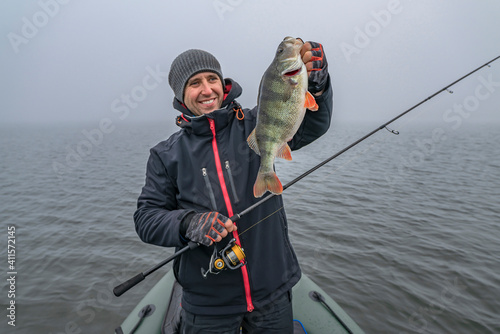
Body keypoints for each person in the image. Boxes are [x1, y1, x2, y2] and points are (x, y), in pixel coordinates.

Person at [134, 37, 333, 333]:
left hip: (272, 291)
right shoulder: (165, 155)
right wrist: (188, 222)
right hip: (207, 304)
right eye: (194, 83)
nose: (206, 90)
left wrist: (317, 85)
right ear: (180, 94)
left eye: (212, 78)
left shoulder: (256, 122)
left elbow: (312, 125)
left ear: (223, 83)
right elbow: (146, 218)